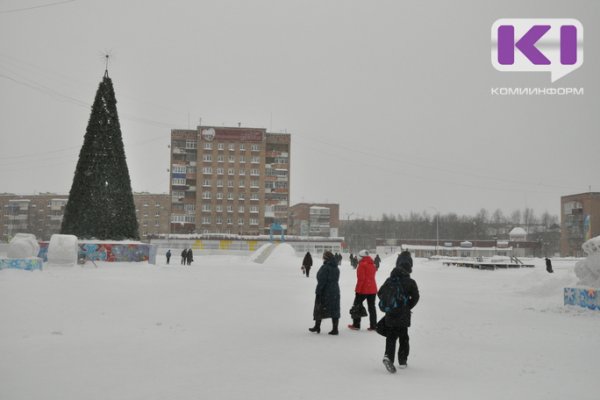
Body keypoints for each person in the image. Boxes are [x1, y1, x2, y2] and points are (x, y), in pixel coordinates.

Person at [380, 250, 420, 373]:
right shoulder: (410, 282)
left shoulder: (390, 279)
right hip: (403, 314)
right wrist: (407, 306)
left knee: (391, 336)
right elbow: (416, 297)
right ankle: (402, 361)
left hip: (391, 313)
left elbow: (380, 293)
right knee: (403, 337)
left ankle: (388, 356)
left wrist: (390, 304)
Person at [309, 251, 340, 335]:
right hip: (335, 290)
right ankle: (335, 329)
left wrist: (318, 291)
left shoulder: (325, 267)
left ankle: (317, 326)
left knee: (319, 307)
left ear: (326, 258)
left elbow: (322, 280)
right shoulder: (336, 267)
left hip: (325, 291)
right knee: (335, 309)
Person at [348, 249, 378, 331]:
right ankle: (373, 325)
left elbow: (361, 279)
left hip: (363, 289)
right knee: (372, 307)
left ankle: (356, 325)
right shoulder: (372, 264)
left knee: (357, 305)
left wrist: (358, 290)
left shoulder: (361, 265)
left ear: (361, 257)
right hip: (372, 289)